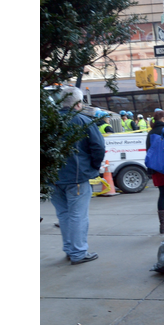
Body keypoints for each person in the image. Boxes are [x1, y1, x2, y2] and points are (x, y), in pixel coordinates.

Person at [50, 86, 105, 265]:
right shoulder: (82, 121)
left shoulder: (47, 121)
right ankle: (78, 252)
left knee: (64, 215)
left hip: (53, 178)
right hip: (76, 177)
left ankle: (70, 248)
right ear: (78, 103)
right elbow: (98, 147)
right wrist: (93, 167)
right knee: (78, 215)